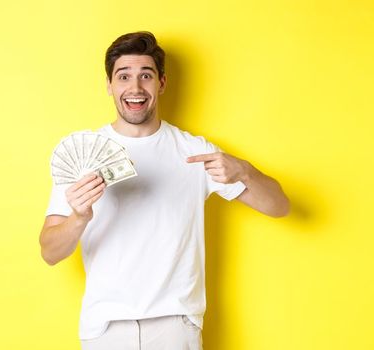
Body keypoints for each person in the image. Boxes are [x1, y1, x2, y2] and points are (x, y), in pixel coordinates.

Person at [38, 31, 290, 350]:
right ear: (109, 85)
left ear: (162, 83)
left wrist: (245, 170)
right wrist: (79, 217)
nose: (135, 88)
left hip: (175, 324)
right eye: (124, 76)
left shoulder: (194, 151)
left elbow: (279, 206)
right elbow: (49, 252)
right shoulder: (84, 154)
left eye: (146, 75)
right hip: (106, 326)